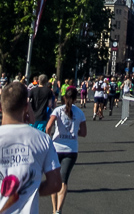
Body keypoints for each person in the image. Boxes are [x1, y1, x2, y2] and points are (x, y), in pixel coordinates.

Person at [0, 82, 62, 214]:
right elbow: (55, 183)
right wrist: (30, 189)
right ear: (26, 107)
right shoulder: (43, 140)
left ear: (0, 106)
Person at [45, 86, 86, 214]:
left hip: (56, 147)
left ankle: (53, 208)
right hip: (71, 149)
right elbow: (84, 132)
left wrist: (50, 137)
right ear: (75, 99)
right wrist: (73, 133)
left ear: (64, 97)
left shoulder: (57, 110)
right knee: (63, 180)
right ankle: (59, 210)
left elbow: (48, 126)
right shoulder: (80, 113)